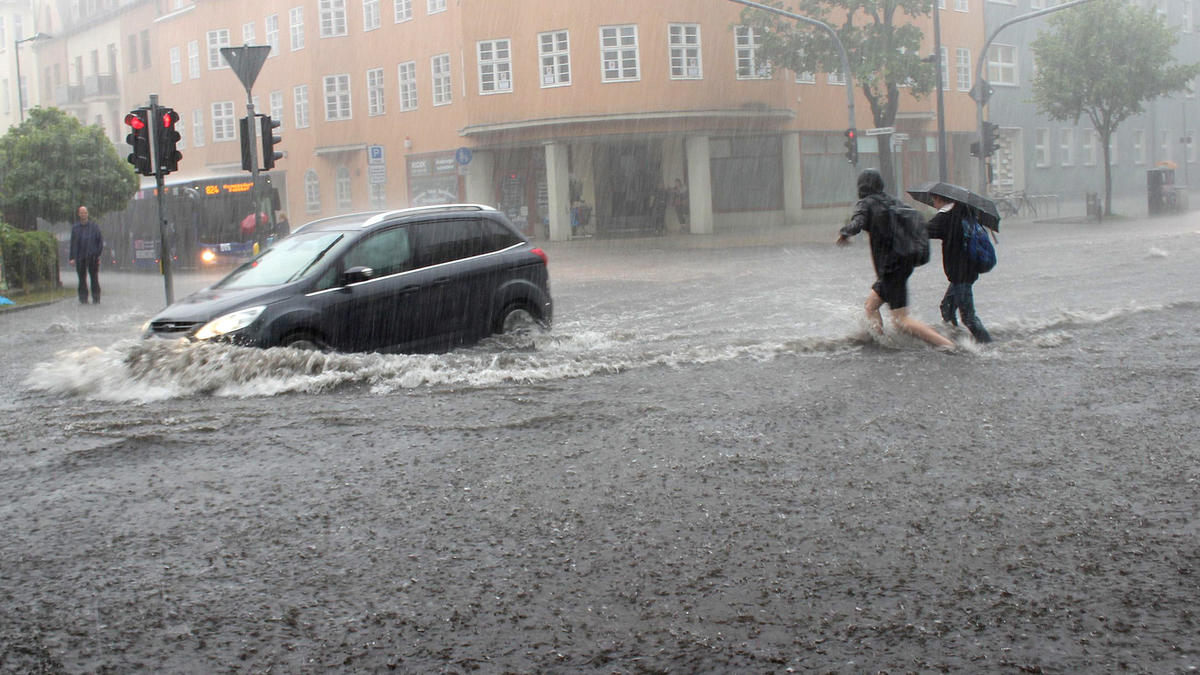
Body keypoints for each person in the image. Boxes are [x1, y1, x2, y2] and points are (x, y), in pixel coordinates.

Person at [836, 169, 955, 350]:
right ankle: (880, 340)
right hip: (901, 263)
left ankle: (947, 345)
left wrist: (845, 233)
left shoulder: (866, 204)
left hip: (891, 267)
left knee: (901, 320)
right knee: (871, 306)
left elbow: (858, 222)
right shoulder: (891, 201)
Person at [926, 194, 993, 343]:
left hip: (960, 273)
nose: (933, 202)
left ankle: (988, 345)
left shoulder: (946, 217)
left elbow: (926, 230)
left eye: (934, 200)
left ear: (940, 199)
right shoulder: (965, 213)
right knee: (947, 308)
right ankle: (957, 338)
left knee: (968, 317)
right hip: (967, 271)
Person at [68, 205, 103, 305]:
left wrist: (97, 254)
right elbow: (73, 244)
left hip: (92, 257)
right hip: (80, 257)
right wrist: (72, 258)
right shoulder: (75, 228)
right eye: (81, 212)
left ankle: (96, 298)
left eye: (85, 212)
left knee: (94, 278)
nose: (83, 214)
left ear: (87, 214)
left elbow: (99, 241)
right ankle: (83, 299)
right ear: (79, 214)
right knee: (81, 279)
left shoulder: (94, 227)